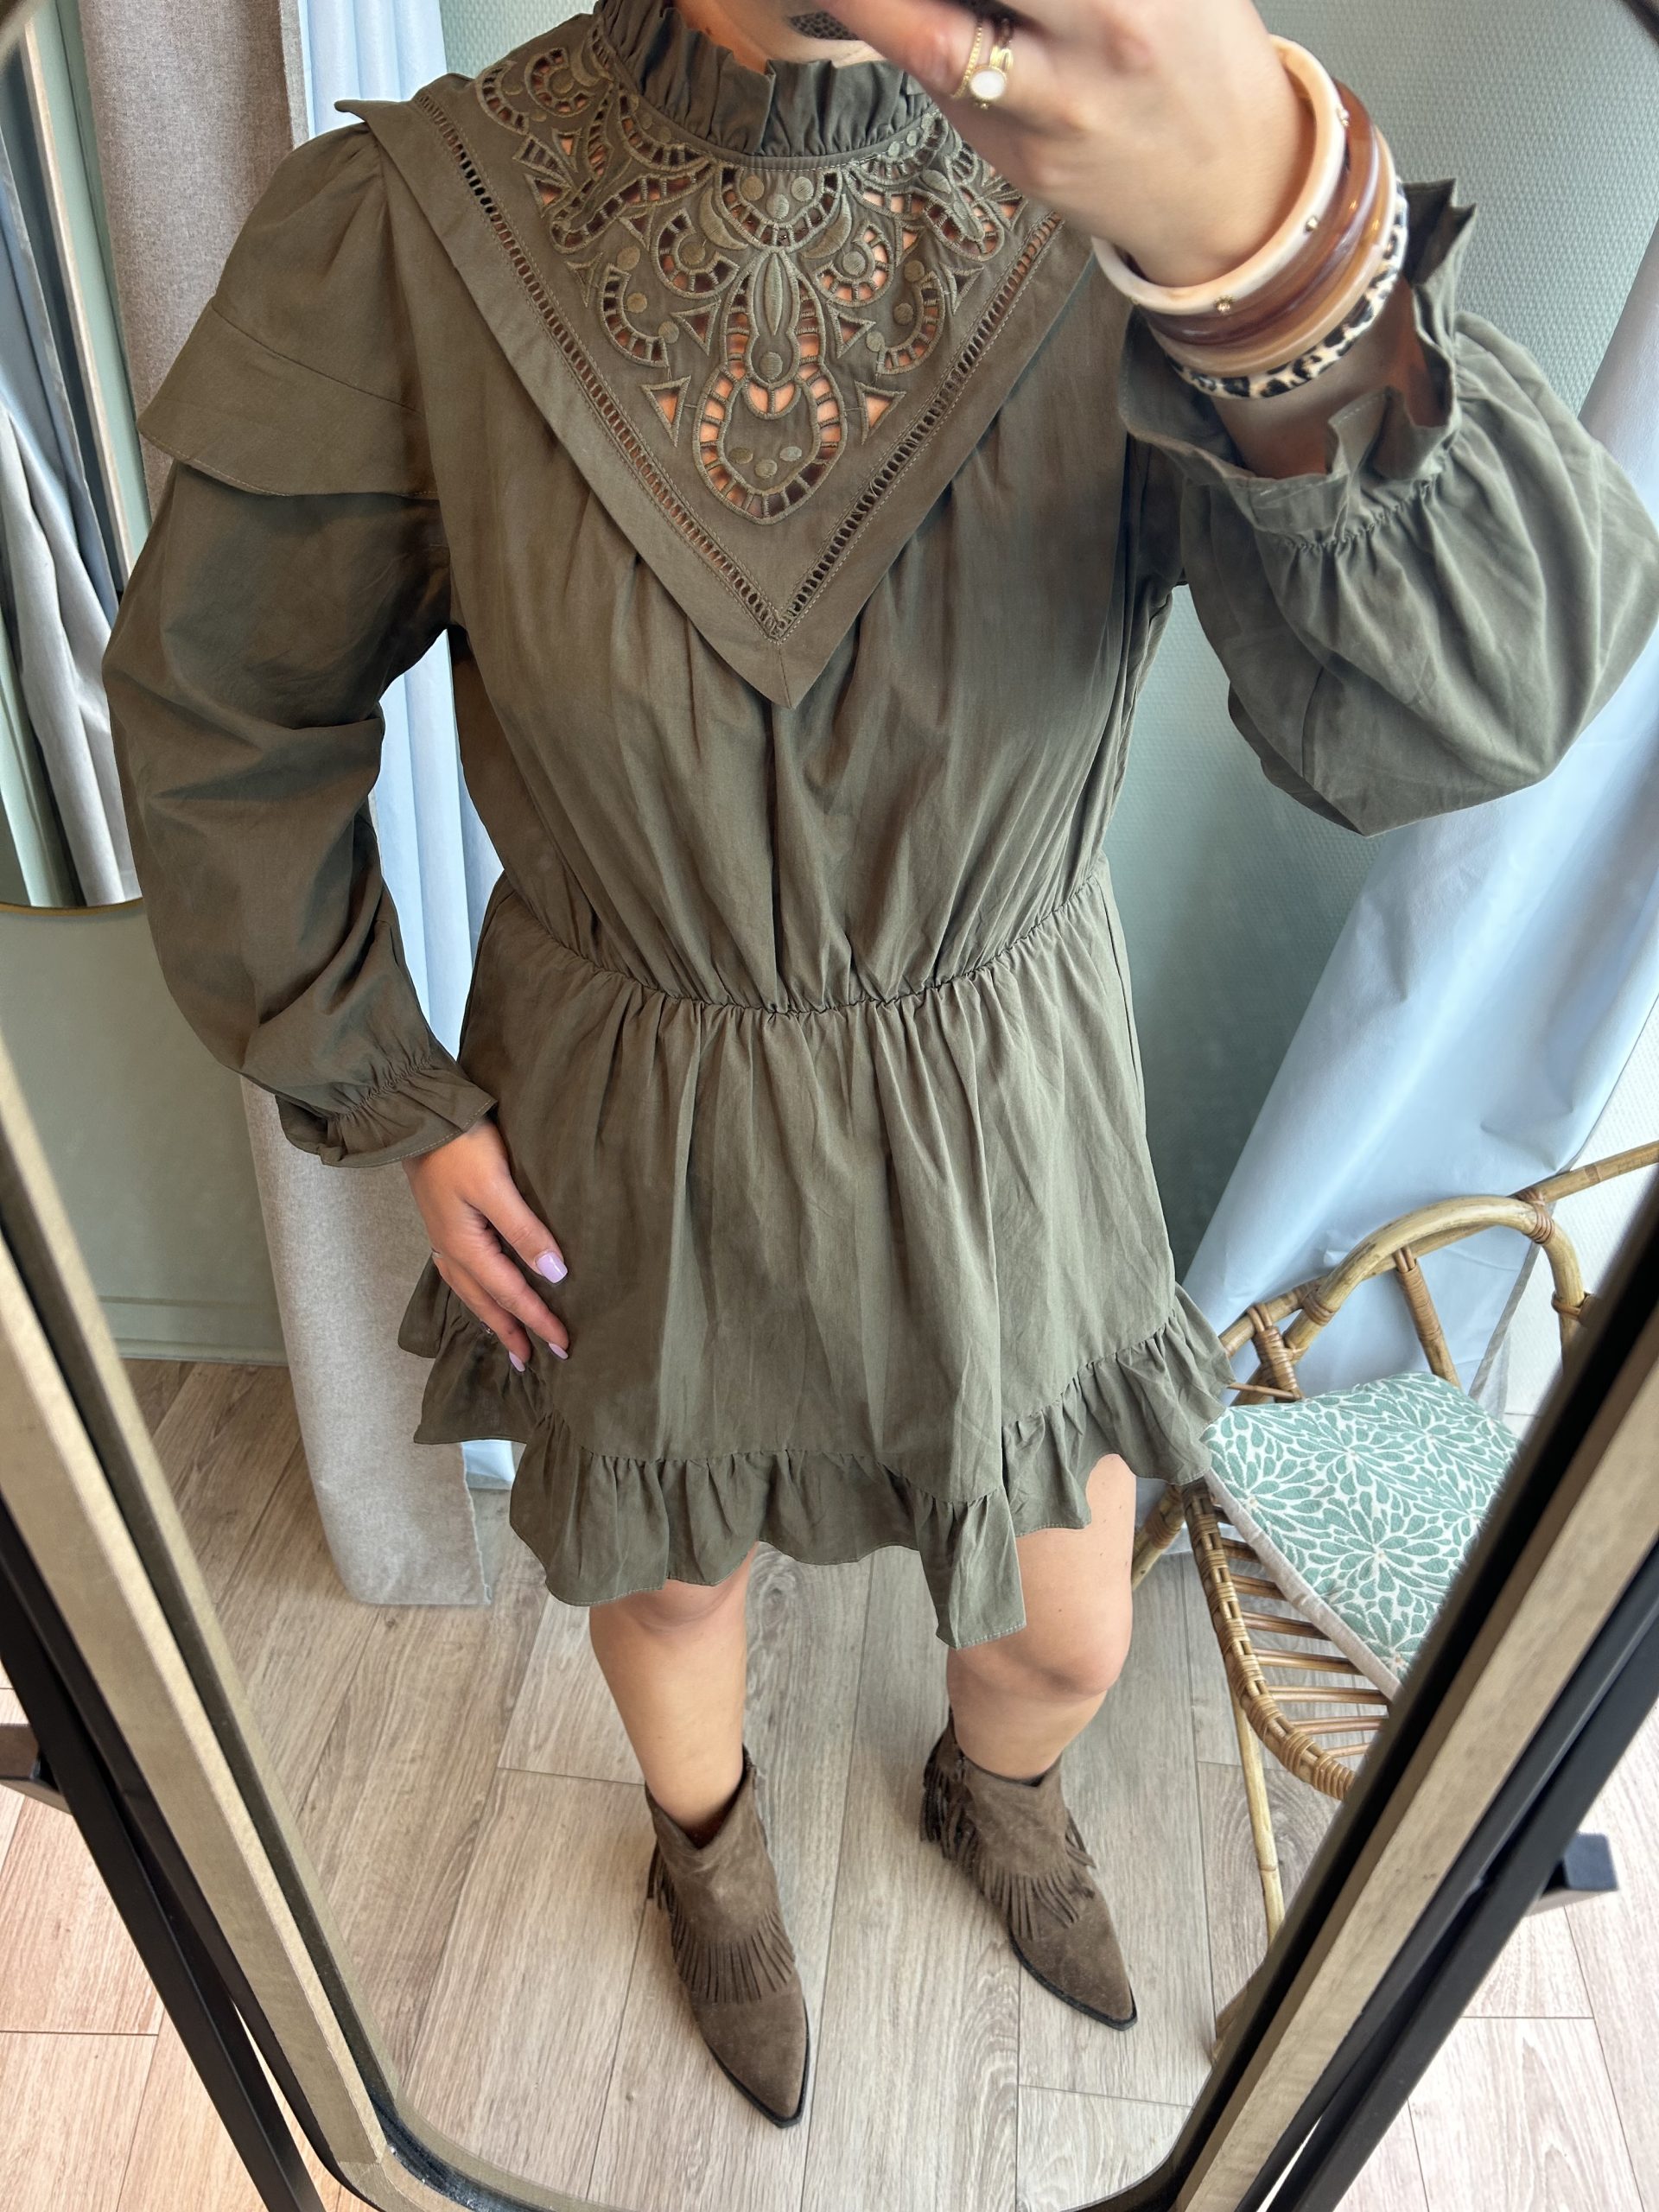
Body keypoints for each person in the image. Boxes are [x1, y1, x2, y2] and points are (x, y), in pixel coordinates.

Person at [103, 0, 1659, 2128]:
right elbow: (223, 721)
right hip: (627, 1102)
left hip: (1004, 1086)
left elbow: (1469, 710)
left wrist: (1278, 250)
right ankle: (707, 1848)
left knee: (1073, 1621)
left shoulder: (1160, 197)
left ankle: (991, 1784)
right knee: (672, 1580)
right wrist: (393, 1092)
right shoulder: (417, 227)